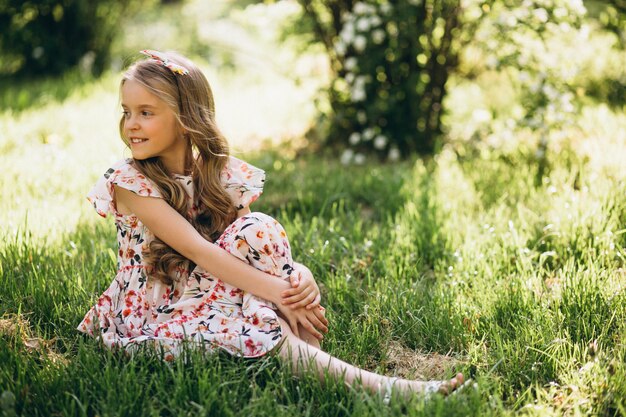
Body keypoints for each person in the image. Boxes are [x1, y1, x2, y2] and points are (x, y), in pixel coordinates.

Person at [77, 50, 464, 401]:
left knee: (259, 228)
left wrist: (299, 275)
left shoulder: (217, 173)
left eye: (146, 112)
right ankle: (383, 388)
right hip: (154, 314)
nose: (131, 125)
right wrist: (281, 291)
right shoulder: (129, 182)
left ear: (186, 118)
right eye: (127, 112)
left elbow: (249, 243)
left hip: (210, 292)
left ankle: (307, 360)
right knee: (262, 316)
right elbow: (199, 250)